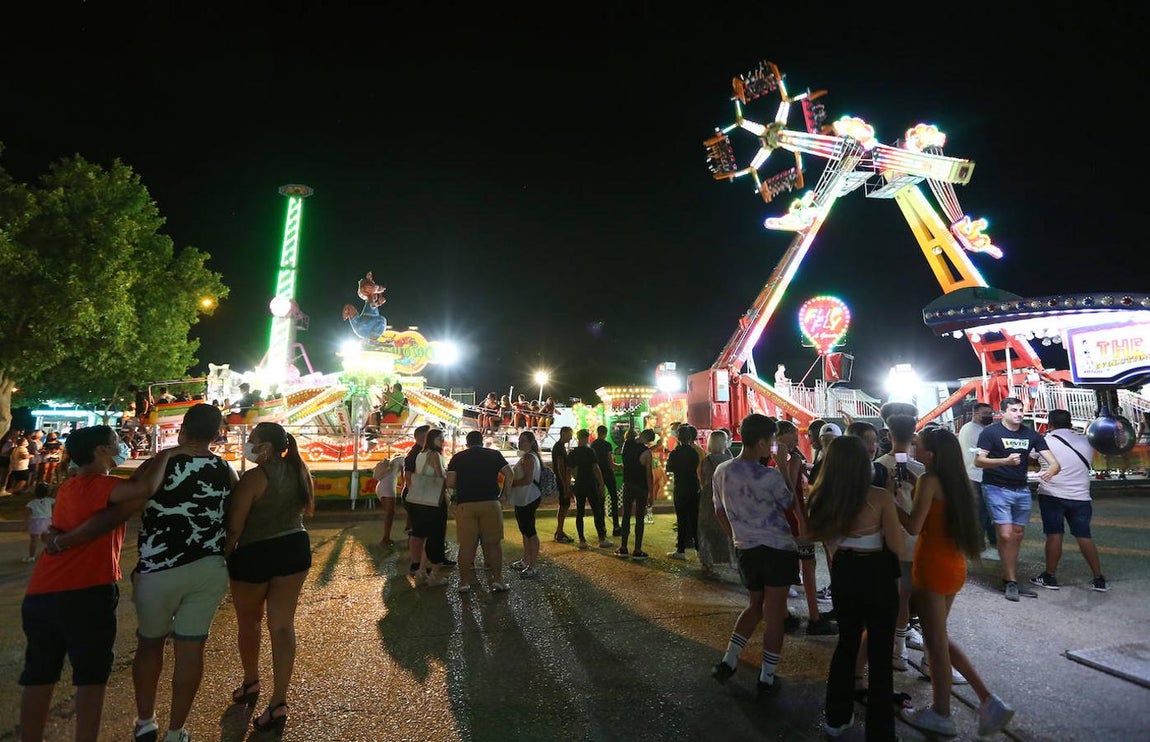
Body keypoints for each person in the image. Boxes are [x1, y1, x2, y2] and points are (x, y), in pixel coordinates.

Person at [24, 427, 181, 742]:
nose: (120, 446)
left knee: (39, 675)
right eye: (115, 443)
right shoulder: (99, 485)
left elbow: (130, 490)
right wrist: (167, 454)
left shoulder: (70, 486)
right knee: (91, 677)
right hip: (86, 591)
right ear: (101, 451)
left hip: (42, 592)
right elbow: (143, 488)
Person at [901, 428, 1015, 738]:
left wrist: (888, 499)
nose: (914, 446)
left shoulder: (928, 481)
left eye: (918, 444)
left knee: (935, 645)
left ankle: (942, 713)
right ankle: (987, 700)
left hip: (931, 568)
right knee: (939, 639)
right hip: (953, 566)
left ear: (932, 454)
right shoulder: (955, 482)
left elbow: (913, 525)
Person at [806, 436, 904, 740]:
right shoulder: (879, 497)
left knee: (847, 644)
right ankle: (881, 731)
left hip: (845, 572)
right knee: (879, 651)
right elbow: (898, 545)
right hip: (877, 572)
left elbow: (822, 539)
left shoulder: (820, 497)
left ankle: (836, 717)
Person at [225, 422, 315, 735]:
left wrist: (222, 556)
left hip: (254, 554)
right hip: (294, 548)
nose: (248, 446)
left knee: (249, 622)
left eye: (252, 441)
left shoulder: (254, 478)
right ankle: (279, 700)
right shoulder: (299, 471)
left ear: (264, 447)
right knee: (282, 624)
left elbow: (235, 528)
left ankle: (251, 681)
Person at [710, 414, 798, 698]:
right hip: (777, 550)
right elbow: (790, 503)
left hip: (746, 549)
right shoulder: (769, 475)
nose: (772, 446)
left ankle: (729, 661)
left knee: (754, 606)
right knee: (774, 616)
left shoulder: (722, 470)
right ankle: (767, 677)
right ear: (760, 442)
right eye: (771, 441)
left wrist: (736, 538)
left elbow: (719, 512)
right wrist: (784, 468)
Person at [976, 397, 1061, 601]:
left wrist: (1050, 470)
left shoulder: (1032, 435)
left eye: (1021, 410)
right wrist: (1004, 461)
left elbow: (1054, 462)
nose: (1019, 413)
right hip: (996, 487)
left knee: (1017, 534)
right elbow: (979, 461)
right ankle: (1010, 580)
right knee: (1005, 535)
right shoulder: (990, 433)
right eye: (1014, 410)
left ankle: (1010, 579)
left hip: (1021, 490)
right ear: (1003, 412)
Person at [1030, 409, 1108, 592]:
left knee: (1054, 535)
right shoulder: (1087, 440)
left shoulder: (1044, 441)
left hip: (1052, 495)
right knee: (1084, 536)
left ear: (1050, 424)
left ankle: (1050, 576)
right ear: (1071, 423)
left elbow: (1030, 459)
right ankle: (1099, 579)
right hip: (1081, 497)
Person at [873, 413, 926, 671]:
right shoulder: (922, 470)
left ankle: (899, 650)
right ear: (913, 436)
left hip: (887, 540)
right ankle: (910, 648)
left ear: (888, 435)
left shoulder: (878, 466)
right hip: (917, 541)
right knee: (913, 598)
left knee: (895, 598)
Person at [447, 430, 514, 593]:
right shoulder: (494, 454)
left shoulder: (457, 457)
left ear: (467, 443)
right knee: (493, 544)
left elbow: (450, 482)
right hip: (490, 502)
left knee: (466, 546)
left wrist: (464, 485)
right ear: (482, 441)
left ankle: (464, 583)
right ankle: (497, 581)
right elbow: (510, 474)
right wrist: (505, 493)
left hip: (466, 505)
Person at [406, 427, 450, 587]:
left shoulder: (421, 454)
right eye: (440, 438)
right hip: (434, 501)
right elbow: (441, 477)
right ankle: (434, 575)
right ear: (432, 440)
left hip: (420, 501)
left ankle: (421, 571)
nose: (443, 441)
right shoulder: (434, 455)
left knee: (427, 536)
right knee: (436, 537)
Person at [958, 402, 998, 559]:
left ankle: (989, 544)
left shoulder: (973, 428)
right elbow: (986, 453)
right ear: (975, 414)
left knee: (985, 514)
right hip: (977, 476)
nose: (989, 416)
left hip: (976, 475)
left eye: (990, 412)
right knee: (981, 514)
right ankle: (979, 548)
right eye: (985, 413)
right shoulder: (974, 430)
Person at [566, 428, 613, 550]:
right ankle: (601, 539)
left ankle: (582, 540)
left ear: (578, 438)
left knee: (579, 512)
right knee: (597, 511)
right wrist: (601, 484)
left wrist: (568, 487)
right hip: (591, 483)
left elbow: (568, 471)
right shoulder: (590, 452)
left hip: (579, 484)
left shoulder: (572, 453)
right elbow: (596, 469)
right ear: (587, 438)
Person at [697, 430, 734, 579]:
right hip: (726, 496)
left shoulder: (706, 461)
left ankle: (707, 562)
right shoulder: (730, 459)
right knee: (725, 528)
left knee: (706, 529)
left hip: (708, 497)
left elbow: (702, 479)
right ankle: (728, 559)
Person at [508, 431, 543, 578]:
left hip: (528, 498)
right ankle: (526, 559)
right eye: (519, 440)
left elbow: (527, 479)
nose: (520, 443)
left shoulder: (528, 457)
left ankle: (532, 564)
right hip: (524, 498)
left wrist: (510, 483)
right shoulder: (529, 456)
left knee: (530, 531)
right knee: (525, 530)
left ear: (530, 442)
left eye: (523, 441)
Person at [617, 428, 656, 559]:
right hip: (641, 487)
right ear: (649, 440)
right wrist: (652, 494)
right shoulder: (646, 452)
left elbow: (624, 462)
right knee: (640, 517)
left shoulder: (626, 444)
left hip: (628, 484)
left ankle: (623, 547)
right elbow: (649, 474)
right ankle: (637, 549)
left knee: (626, 515)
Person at [666, 424, 701, 561]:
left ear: (678, 438)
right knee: (694, 519)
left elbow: (669, 468)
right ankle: (699, 549)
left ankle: (681, 550)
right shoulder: (694, 452)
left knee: (681, 519)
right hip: (693, 486)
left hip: (680, 487)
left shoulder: (675, 453)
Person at [591, 425, 622, 536]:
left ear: (597, 432)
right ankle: (616, 527)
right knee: (614, 499)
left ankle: (602, 528)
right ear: (606, 433)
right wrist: (620, 466)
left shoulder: (593, 445)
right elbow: (610, 463)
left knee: (600, 501)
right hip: (608, 474)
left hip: (597, 475)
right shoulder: (607, 445)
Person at [372, 454, 405, 548]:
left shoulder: (394, 461)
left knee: (389, 513)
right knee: (390, 514)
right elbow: (404, 471)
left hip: (382, 486)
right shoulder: (403, 459)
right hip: (388, 487)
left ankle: (386, 537)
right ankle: (385, 539)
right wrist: (404, 485)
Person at [551, 426, 575, 543]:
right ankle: (560, 531)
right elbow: (561, 468)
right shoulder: (559, 448)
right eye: (570, 434)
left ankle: (559, 530)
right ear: (564, 433)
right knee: (564, 505)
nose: (571, 436)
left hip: (562, 480)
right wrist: (566, 485)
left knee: (564, 505)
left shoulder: (559, 447)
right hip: (562, 481)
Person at [23, 482, 55, 563]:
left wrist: (26, 525)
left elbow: (27, 515)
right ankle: (50, 553)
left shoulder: (31, 503)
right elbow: (56, 499)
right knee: (46, 539)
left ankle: (31, 557)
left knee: (34, 541)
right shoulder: (50, 500)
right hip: (47, 522)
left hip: (36, 523)